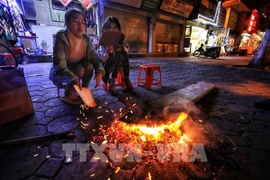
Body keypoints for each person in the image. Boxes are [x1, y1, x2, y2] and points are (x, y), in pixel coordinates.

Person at [50, 8, 105, 105]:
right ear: (67, 23)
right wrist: (73, 77)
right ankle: (68, 94)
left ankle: (83, 90)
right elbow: (59, 65)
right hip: (61, 71)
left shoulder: (86, 39)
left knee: (89, 66)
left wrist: (99, 71)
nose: (80, 26)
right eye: (75, 21)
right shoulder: (62, 37)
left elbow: (94, 58)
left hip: (77, 66)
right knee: (79, 69)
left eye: (83, 22)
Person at [100, 16, 133, 95]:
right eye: (110, 28)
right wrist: (108, 51)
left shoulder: (121, 36)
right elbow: (102, 57)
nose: (113, 30)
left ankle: (119, 79)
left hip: (120, 60)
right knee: (118, 56)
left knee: (123, 53)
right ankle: (122, 79)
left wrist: (122, 47)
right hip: (108, 62)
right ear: (106, 29)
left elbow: (127, 47)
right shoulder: (103, 38)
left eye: (115, 28)